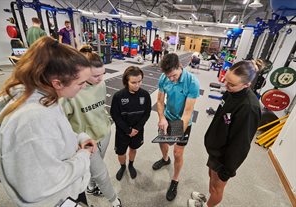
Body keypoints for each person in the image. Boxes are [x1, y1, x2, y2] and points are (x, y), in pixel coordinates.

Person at [0, 36, 97, 206]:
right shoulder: (32, 120)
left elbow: (54, 136)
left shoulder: (45, 97)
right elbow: (38, 187)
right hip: (57, 201)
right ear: (57, 83)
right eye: (81, 82)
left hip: (66, 192)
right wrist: (83, 157)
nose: (84, 86)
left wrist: (78, 139)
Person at [188, 60, 262, 207]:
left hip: (225, 157)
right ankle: (206, 199)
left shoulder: (249, 108)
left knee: (217, 187)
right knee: (211, 177)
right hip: (216, 149)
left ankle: (208, 205)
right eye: (226, 80)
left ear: (247, 84)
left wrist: (228, 170)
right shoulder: (230, 93)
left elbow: (241, 145)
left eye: (232, 84)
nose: (226, 86)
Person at [60, 49, 122, 207]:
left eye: (103, 73)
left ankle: (91, 187)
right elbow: (63, 126)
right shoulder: (71, 93)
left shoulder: (101, 84)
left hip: (104, 132)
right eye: (95, 75)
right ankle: (115, 201)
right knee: (101, 173)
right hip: (86, 140)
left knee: (96, 166)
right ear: (84, 72)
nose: (100, 78)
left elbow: (100, 109)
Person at [152, 53, 200, 201]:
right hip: (167, 117)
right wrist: (161, 118)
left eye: (173, 75)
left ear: (180, 66)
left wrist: (176, 133)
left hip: (183, 121)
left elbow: (187, 113)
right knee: (162, 142)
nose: (171, 79)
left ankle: (175, 180)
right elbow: (160, 101)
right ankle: (165, 159)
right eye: (168, 76)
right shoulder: (164, 78)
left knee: (178, 153)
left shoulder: (192, 82)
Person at [110, 66, 151, 181]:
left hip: (138, 131)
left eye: (139, 81)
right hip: (122, 132)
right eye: (133, 82)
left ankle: (131, 165)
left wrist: (137, 129)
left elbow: (147, 113)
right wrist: (128, 130)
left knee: (133, 148)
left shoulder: (145, 95)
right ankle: (122, 167)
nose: (137, 85)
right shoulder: (118, 96)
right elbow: (115, 115)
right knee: (121, 152)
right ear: (126, 81)